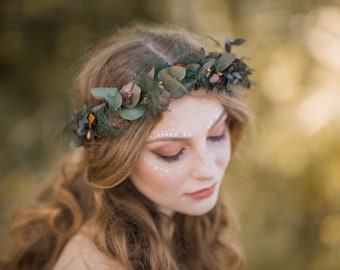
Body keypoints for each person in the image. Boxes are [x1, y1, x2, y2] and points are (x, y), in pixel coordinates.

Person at [0, 24, 253, 270]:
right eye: (171, 153)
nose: (208, 169)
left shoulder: (176, 214)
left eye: (216, 135)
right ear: (118, 158)